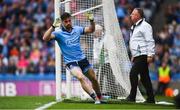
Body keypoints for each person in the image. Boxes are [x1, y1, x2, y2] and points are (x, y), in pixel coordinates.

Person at [43, 12, 102, 104]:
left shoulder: (77, 29)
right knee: (80, 77)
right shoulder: (58, 33)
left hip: (82, 59)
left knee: (93, 78)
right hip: (70, 62)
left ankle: (99, 97)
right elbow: (45, 38)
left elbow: (91, 30)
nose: (68, 23)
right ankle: (95, 98)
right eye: (66, 21)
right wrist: (53, 27)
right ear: (62, 22)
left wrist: (91, 21)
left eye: (69, 21)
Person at [126, 8, 155, 103]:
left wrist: (150, 55)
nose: (131, 15)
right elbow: (135, 42)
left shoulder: (145, 26)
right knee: (144, 77)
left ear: (138, 16)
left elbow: (150, 41)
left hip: (143, 54)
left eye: (133, 14)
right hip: (138, 55)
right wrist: (133, 54)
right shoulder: (134, 26)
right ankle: (151, 98)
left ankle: (132, 96)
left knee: (133, 73)